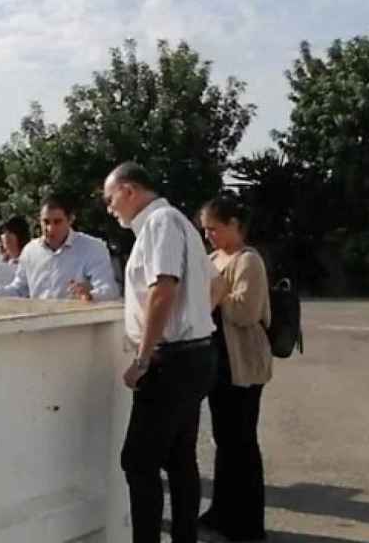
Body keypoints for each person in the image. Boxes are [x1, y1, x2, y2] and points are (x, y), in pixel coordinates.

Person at [103, 162, 217, 543]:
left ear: (129, 190)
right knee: (179, 458)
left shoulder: (160, 223)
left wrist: (144, 357)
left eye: (111, 198)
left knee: (137, 461)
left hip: (173, 359)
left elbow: (162, 288)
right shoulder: (179, 222)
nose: (110, 208)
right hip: (194, 353)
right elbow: (213, 287)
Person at [198, 196, 272, 542]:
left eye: (214, 228)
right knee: (224, 442)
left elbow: (245, 312)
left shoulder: (248, 261)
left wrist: (216, 292)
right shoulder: (213, 259)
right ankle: (221, 513)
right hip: (219, 366)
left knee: (243, 445)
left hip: (243, 365)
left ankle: (248, 525)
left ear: (233, 225)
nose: (209, 235)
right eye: (205, 230)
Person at [0, 195, 118, 301]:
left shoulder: (92, 248)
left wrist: (90, 295)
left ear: (70, 220)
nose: (50, 228)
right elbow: (19, 289)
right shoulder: (30, 251)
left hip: (77, 331)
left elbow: (109, 290)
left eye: (57, 222)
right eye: (46, 222)